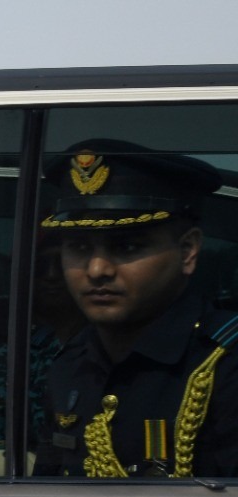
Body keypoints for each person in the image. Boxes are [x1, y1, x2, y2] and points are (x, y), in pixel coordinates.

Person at [34, 141, 238, 478]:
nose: (97, 269)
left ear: (187, 251)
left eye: (126, 246)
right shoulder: (71, 364)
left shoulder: (224, 364)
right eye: (79, 247)